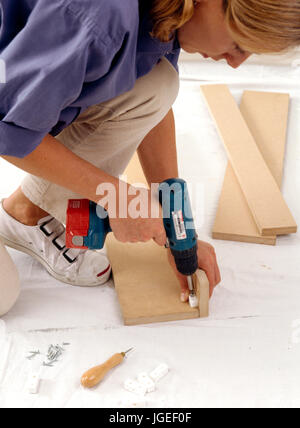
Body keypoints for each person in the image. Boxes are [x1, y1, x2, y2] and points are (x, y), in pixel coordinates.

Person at [0, 0, 299, 316]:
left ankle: (23, 213)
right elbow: (5, 128)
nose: (237, 63)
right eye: (239, 44)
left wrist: (177, 222)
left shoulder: (169, 12)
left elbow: (150, 92)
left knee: (159, 82)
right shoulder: (99, 18)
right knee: (4, 296)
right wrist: (117, 197)